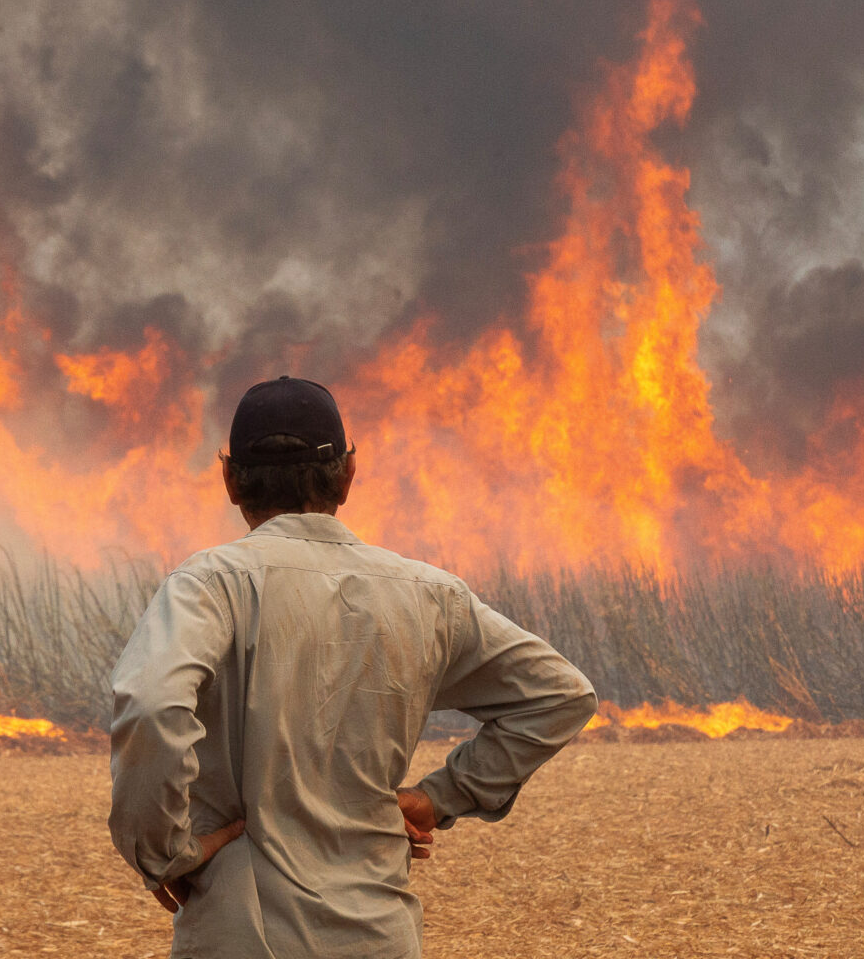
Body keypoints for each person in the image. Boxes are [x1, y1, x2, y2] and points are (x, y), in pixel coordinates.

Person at [108, 375, 597, 958]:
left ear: (230, 480)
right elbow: (559, 696)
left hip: (241, 931)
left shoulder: (209, 586)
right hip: (378, 934)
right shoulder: (428, 595)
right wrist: (442, 795)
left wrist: (166, 852)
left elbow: (152, 703)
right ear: (347, 474)